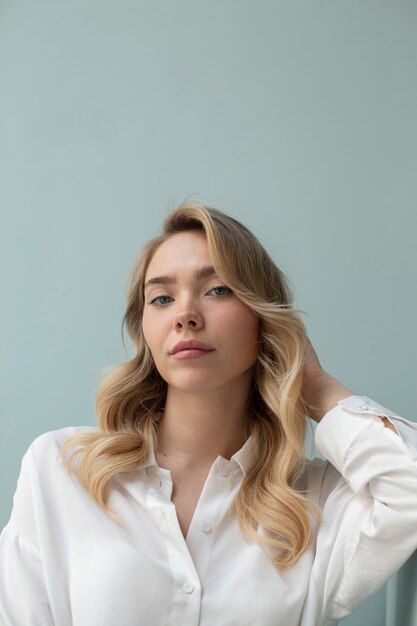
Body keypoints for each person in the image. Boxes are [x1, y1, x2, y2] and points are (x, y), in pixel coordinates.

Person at [1, 202, 416, 626]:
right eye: (161, 298)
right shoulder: (62, 468)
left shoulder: (314, 503)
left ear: (263, 317)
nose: (184, 315)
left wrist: (313, 383)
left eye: (217, 289)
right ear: (145, 329)